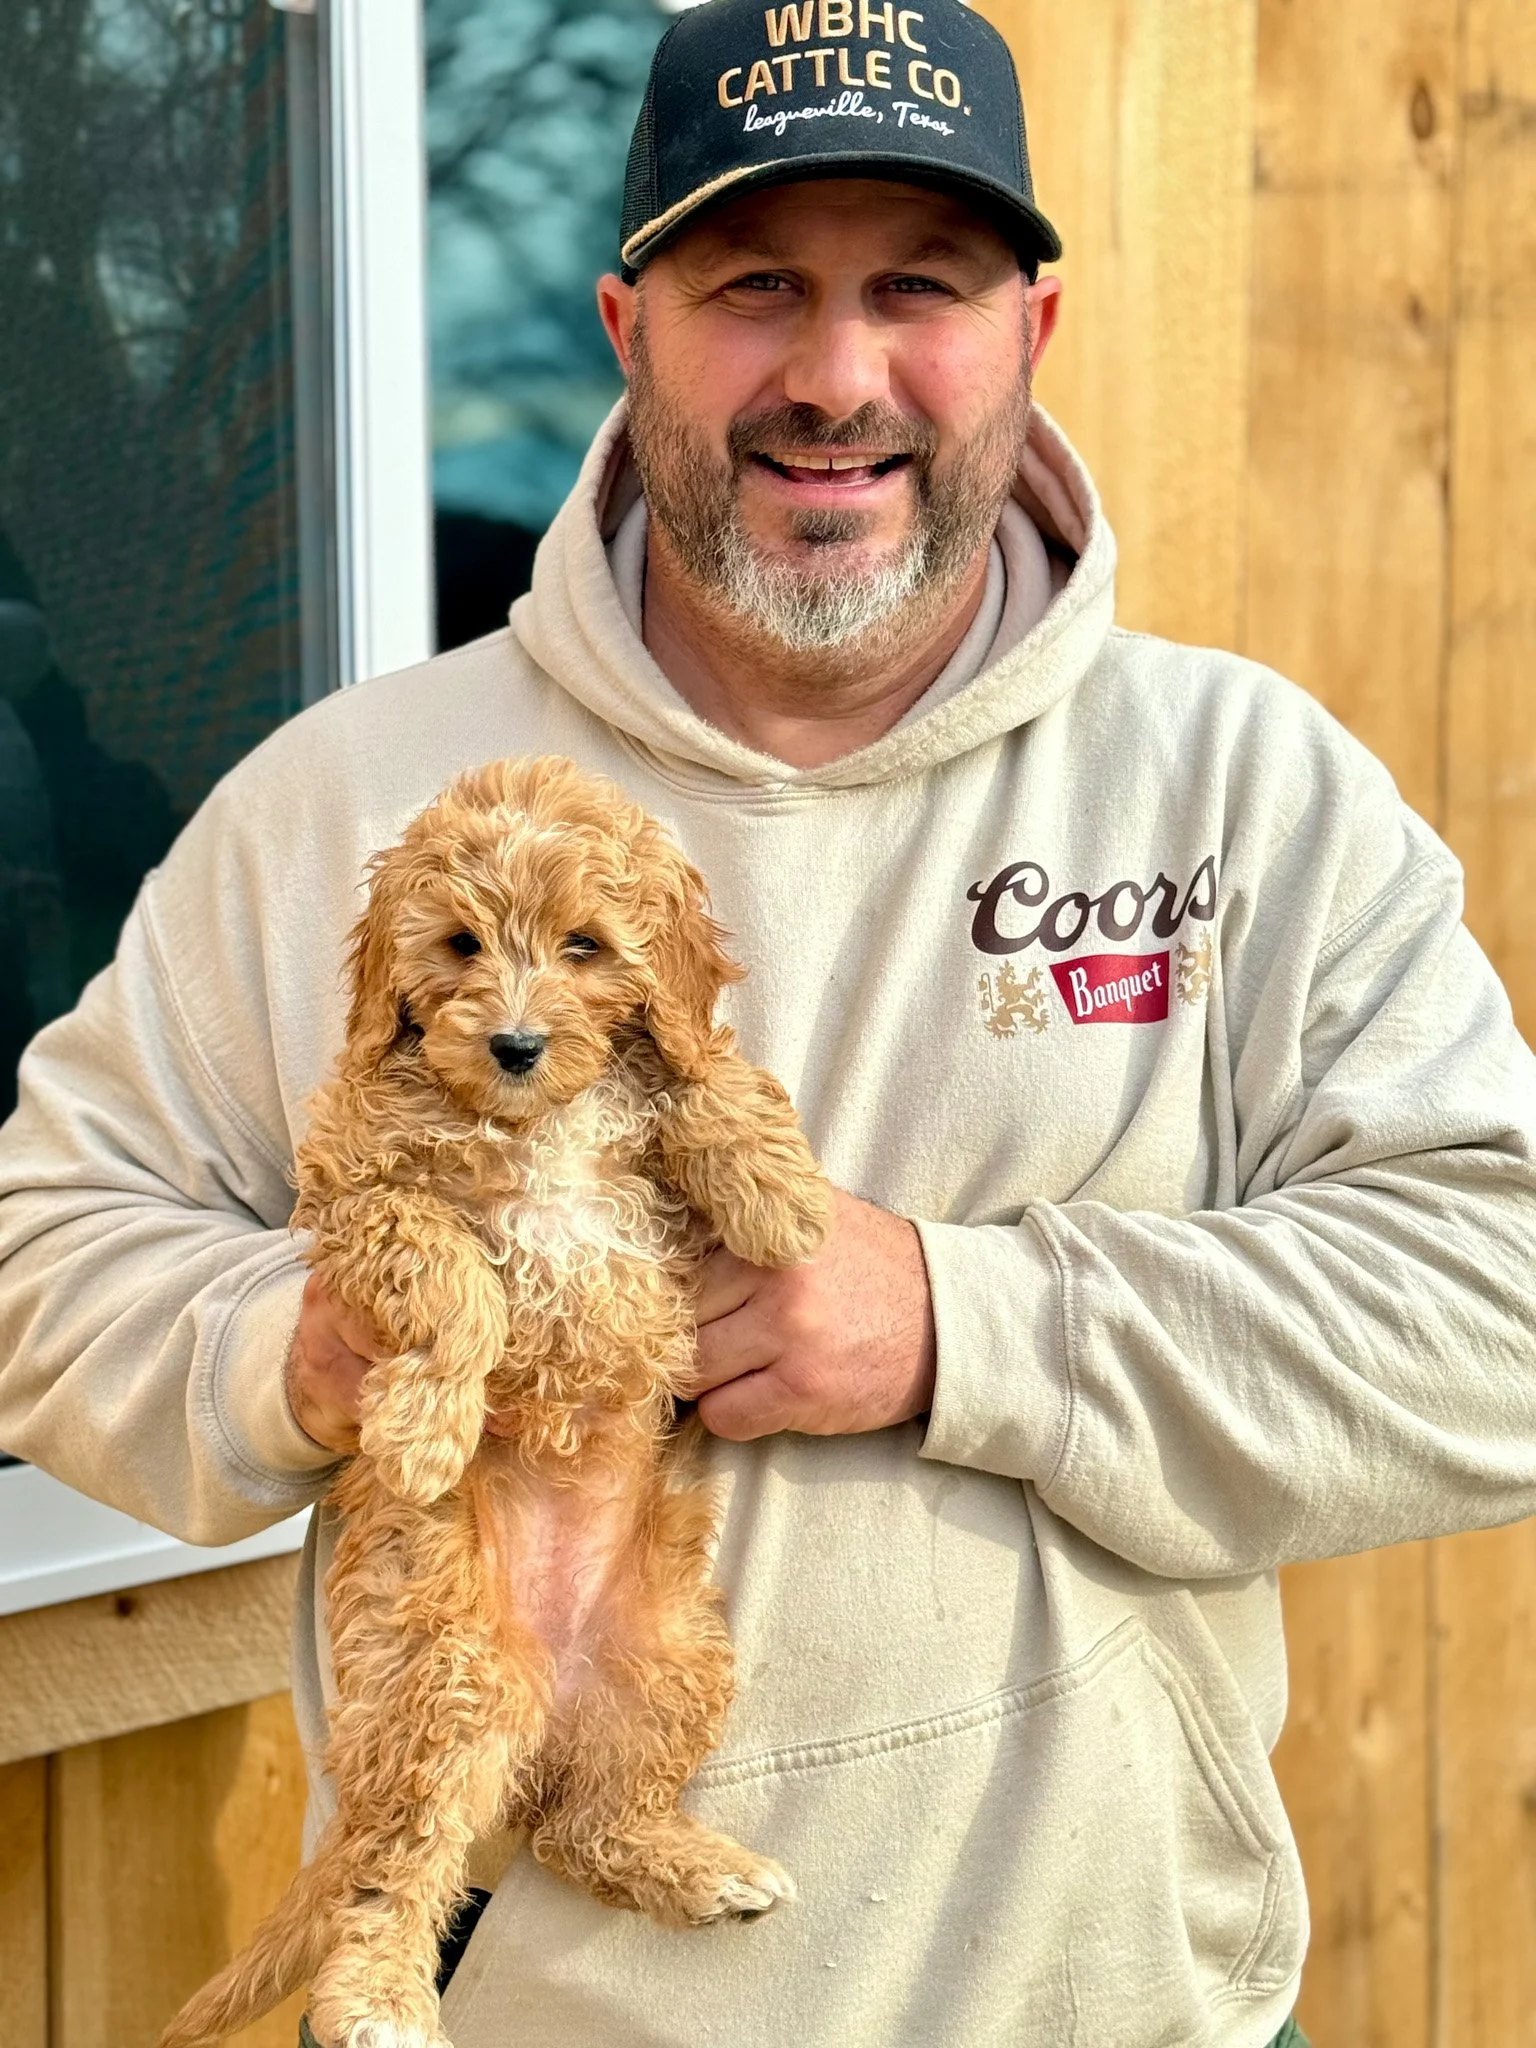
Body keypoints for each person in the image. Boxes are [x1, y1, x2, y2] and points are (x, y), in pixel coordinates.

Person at [2, 0, 1534, 2042]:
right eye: (758, 290)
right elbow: (47, 1250)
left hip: (1104, 2003)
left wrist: (959, 1322)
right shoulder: (353, 810)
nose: (835, 376)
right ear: (632, 327)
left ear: (1031, 332)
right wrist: (307, 1343)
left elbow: (1502, 1313)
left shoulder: (1238, 788)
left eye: (918, 286)